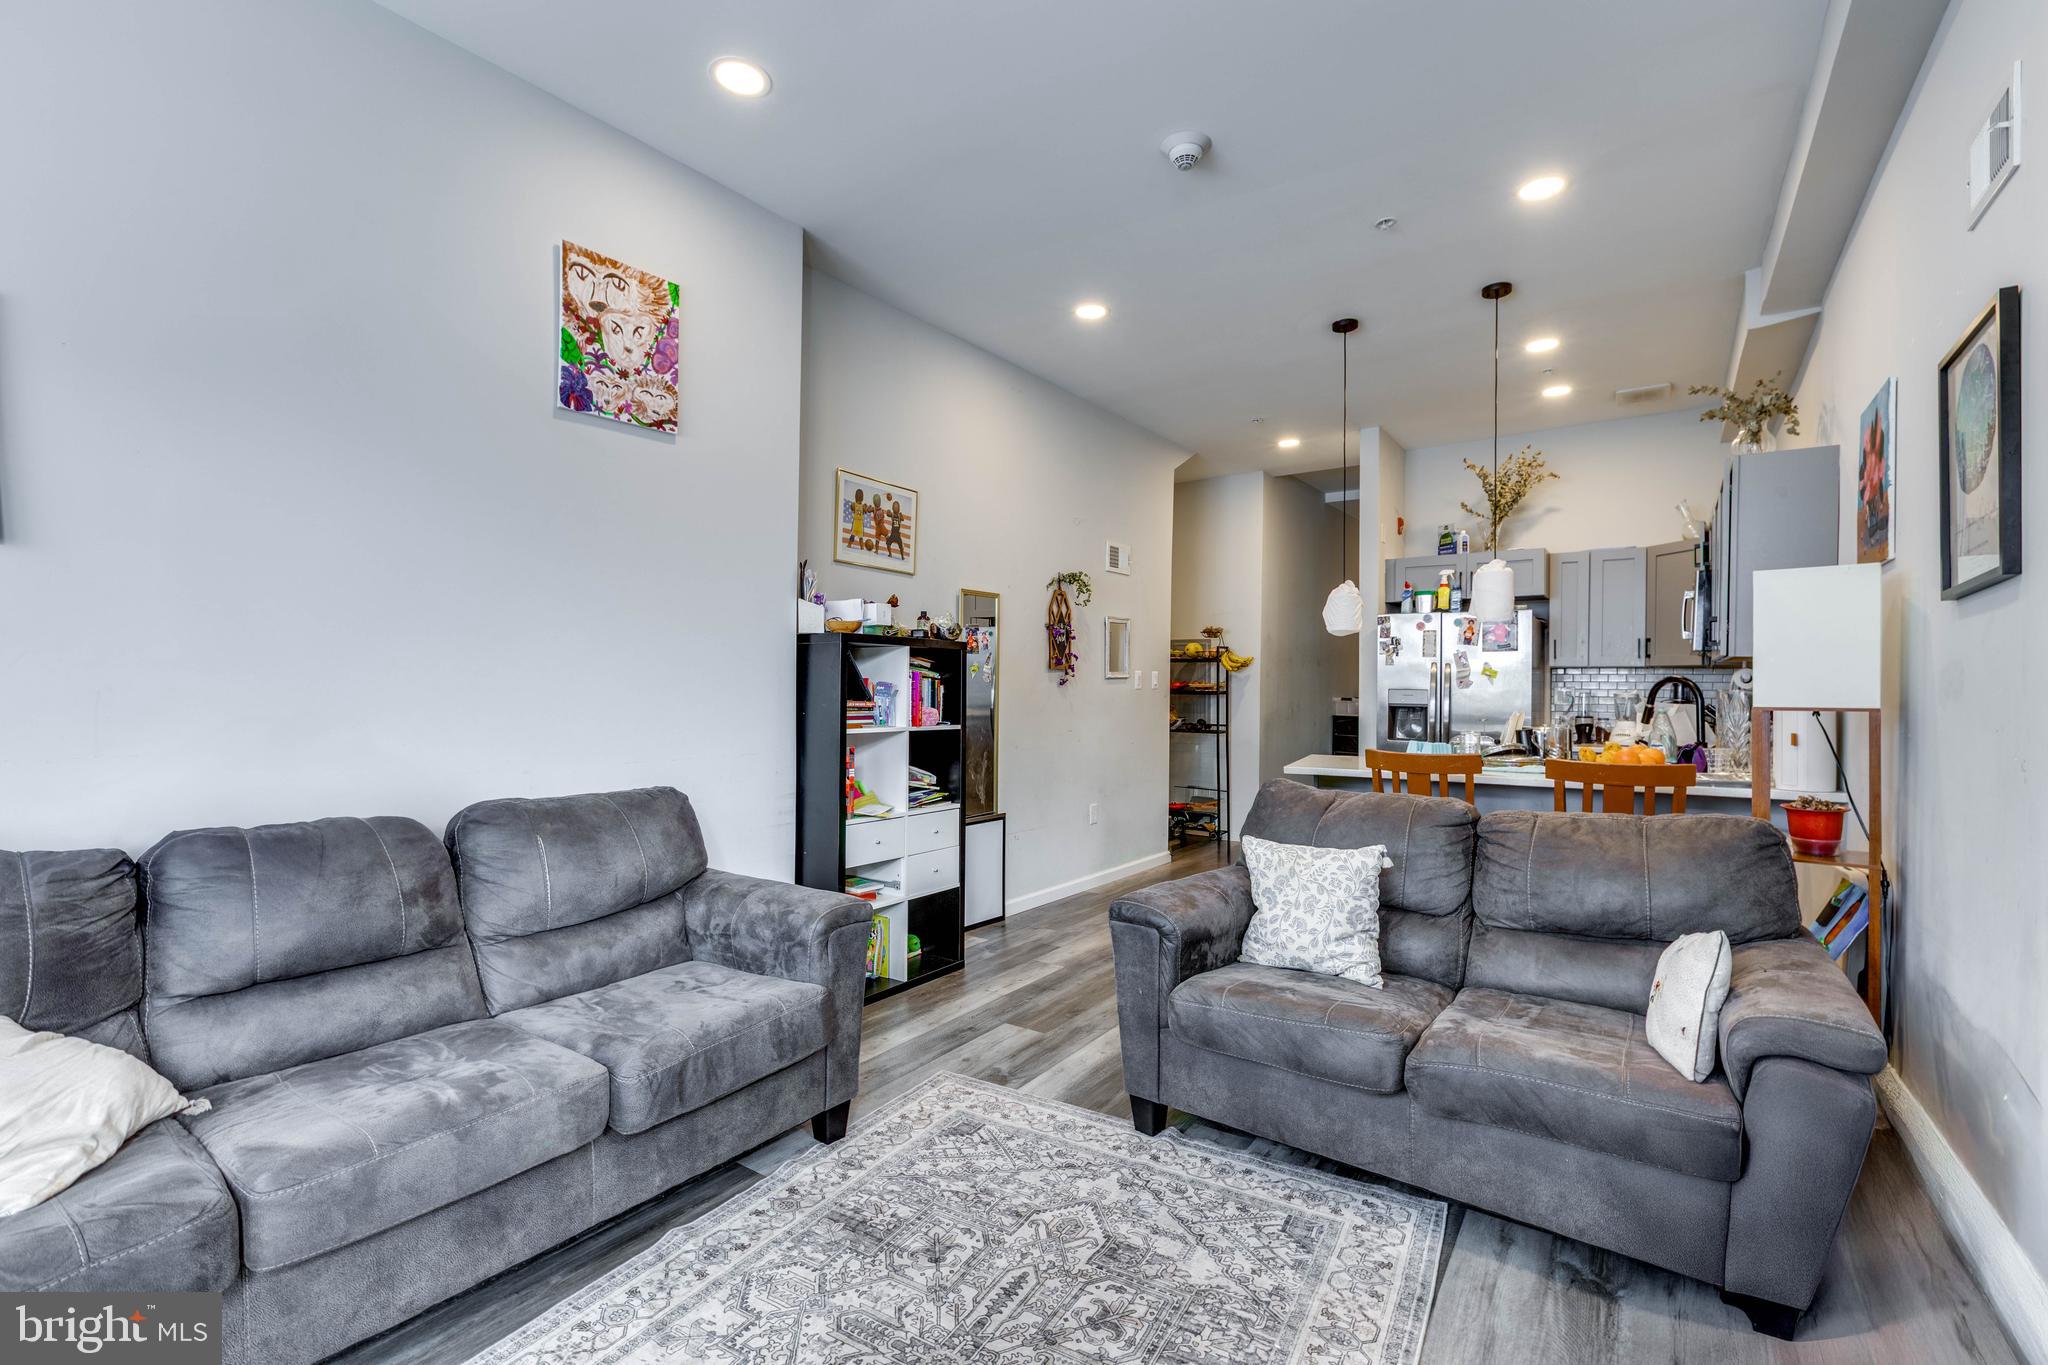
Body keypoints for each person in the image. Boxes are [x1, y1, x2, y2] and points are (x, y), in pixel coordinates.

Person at [885, 496, 908, 560]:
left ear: (899, 509)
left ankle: (902, 556)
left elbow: (903, 519)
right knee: (888, 543)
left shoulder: (899, 515)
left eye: (897, 507)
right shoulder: (892, 514)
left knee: (901, 546)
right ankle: (890, 553)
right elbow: (888, 514)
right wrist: (888, 512)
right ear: (892, 508)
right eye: (894, 507)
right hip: (892, 534)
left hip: (897, 535)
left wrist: (901, 515)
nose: (895, 508)